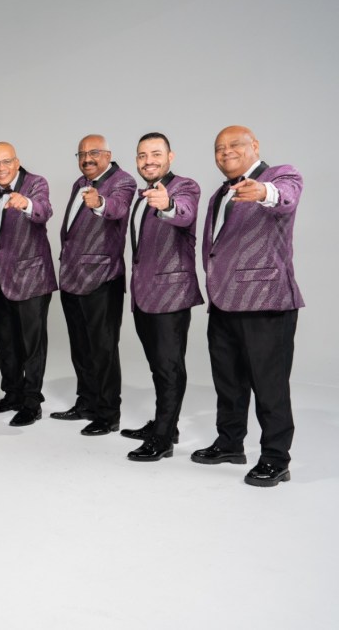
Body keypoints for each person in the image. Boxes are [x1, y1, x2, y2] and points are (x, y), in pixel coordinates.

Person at [192, 126, 303, 487]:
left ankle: (276, 459)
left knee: (269, 385)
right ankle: (229, 443)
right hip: (223, 302)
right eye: (219, 148)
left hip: (265, 301)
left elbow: (286, 197)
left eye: (234, 145)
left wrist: (264, 192)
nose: (225, 152)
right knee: (228, 382)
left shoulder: (280, 176)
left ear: (254, 145)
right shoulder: (218, 195)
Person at [122, 132, 203, 461]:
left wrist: (168, 204)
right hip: (143, 294)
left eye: (156, 154)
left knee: (169, 367)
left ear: (170, 157)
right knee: (158, 366)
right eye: (142, 155)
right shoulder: (141, 196)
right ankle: (166, 424)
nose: (148, 161)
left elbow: (184, 212)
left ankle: (163, 439)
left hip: (171, 294)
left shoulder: (184, 187)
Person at [51, 135, 136, 436]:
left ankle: (108, 414)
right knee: (81, 348)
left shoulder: (123, 181)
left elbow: (118, 208)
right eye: (82, 154)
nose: (87, 158)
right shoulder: (80, 182)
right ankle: (86, 403)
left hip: (102, 278)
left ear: (108, 155)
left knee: (103, 350)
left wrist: (100, 202)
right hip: (72, 277)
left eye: (94, 153)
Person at [0, 142, 57, 427]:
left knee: (32, 344)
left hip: (31, 277)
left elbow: (44, 211)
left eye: (5, 162)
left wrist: (27, 204)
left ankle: (32, 403)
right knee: (6, 340)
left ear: (17, 161)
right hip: (0, 277)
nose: (0, 168)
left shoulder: (36, 183)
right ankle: (12, 394)